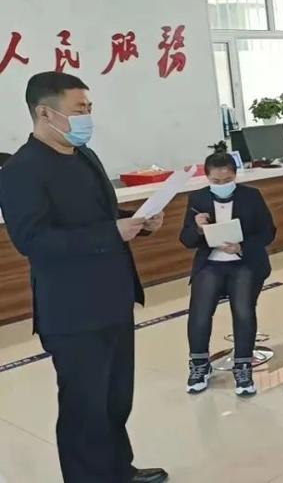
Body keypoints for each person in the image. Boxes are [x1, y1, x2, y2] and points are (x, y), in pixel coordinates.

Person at [0, 71, 168, 482]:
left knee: (115, 400)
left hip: (114, 298)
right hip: (72, 311)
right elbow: (33, 240)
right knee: (84, 408)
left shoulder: (85, 155)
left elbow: (101, 216)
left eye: (89, 108)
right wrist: (111, 232)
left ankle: (118, 470)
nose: (88, 116)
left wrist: (139, 221)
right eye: (79, 109)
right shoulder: (21, 170)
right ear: (45, 113)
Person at [179, 142, 276, 397]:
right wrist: (198, 228)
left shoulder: (251, 196)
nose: (222, 184)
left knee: (243, 310)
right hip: (211, 262)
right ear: (207, 177)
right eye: (216, 180)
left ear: (235, 175)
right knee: (200, 311)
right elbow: (186, 240)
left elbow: (268, 232)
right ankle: (199, 364)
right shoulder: (198, 199)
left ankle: (243, 366)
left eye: (227, 180)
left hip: (244, 261)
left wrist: (242, 246)